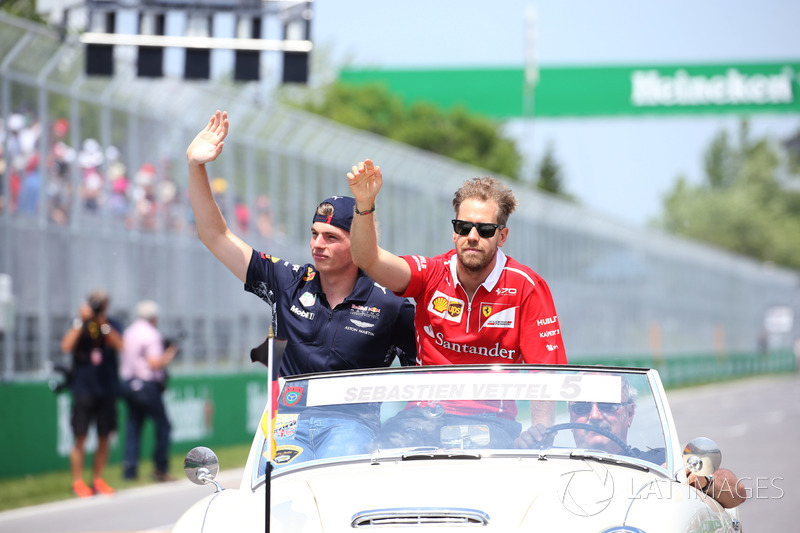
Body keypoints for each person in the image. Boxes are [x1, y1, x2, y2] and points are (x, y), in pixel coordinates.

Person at [186, 111, 416, 465]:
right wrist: (196, 167)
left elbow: (422, 378)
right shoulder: (288, 280)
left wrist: (398, 430)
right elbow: (215, 235)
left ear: (357, 241)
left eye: (331, 237)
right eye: (313, 234)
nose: (317, 244)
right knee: (275, 510)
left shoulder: (391, 304)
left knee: (329, 498)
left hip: (351, 427)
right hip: (287, 423)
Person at [347, 159, 567, 443]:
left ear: (502, 236)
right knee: (377, 456)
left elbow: (545, 373)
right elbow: (368, 259)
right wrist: (365, 203)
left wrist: (540, 434)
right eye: (464, 227)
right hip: (424, 416)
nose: (472, 237)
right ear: (454, 231)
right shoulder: (430, 273)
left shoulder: (527, 287)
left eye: (485, 230)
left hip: (492, 421)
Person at [516, 374, 747, 509]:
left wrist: (704, 480)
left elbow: (736, 492)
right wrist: (516, 454)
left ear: (629, 415)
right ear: (571, 414)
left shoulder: (659, 463)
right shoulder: (543, 461)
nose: (594, 415)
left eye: (608, 406)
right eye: (582, 407)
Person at [60, 290, 123, 498]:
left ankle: (98, 479)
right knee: (81, 436)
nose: (97, 307)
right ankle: (77, 481)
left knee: (104, 436)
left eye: (101, 304)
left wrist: (102, 323)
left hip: (107, 388)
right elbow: (66, 346)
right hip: (84, 388)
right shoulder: (80, 324)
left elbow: (120, 345)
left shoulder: (111, 323)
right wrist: (81, 321)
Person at [120, 300, 177, 482]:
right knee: (164, 426)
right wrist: (169, 354)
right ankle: (160, 468)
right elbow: (154, 363)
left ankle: (130, 470)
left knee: (133, 427)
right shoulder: (151, 334)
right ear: (153, 317)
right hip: (147, 385)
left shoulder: (129, 332)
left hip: (129, 383)